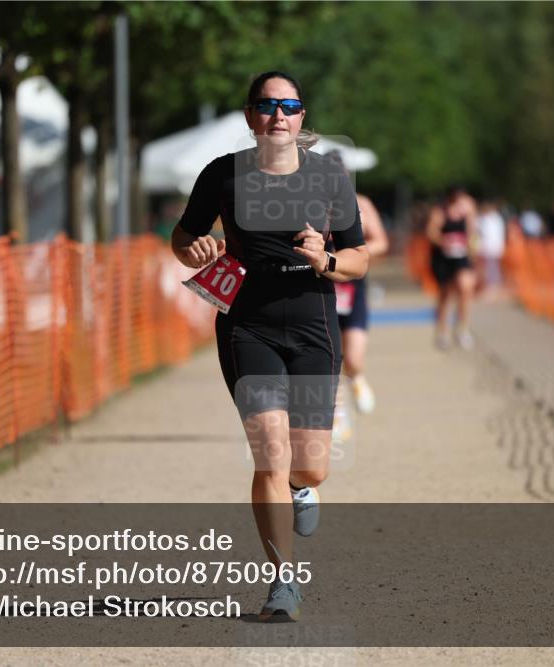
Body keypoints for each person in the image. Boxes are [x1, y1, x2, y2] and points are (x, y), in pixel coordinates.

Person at [171, 71, 369, 621]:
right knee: (270, 457)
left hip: (313, 325)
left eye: (289, 105)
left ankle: (302, 489)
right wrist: (194, 250)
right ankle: (283, 584)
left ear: (303, 116)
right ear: (249, 115)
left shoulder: (329, 175)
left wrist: (325, 259)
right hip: (247, 325)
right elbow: (183, 236)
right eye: (267, 105)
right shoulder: (222, 174)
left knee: (309, 468)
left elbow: (359, 258)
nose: (278, 115)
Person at [324, 152, 389, 415]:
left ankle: (358, 378)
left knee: (353, 358)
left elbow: (381, 241)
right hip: (322, 289)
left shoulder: (361, 203)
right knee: (329, 357)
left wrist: (351, 254)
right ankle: (336, 411)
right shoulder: (309, 205)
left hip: (353, 287)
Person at [426, 185, 477, 349]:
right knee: (445, 293)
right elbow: (431, 232)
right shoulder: (440, 210)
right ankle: (442, 330)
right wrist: (444, 241)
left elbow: (472, 232)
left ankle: (463, 328)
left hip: (461, 256)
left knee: (465, 287)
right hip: (443, 257)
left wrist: (472, 250)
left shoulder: (468, 207)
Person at [475, 199, 506, 295]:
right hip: (491, 247)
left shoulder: (488, 219)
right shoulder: (496, 218)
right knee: (492, 267)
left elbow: (483, 233)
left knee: (490, 268)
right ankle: (490, 286)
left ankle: (491, 287)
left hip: (489, 247)